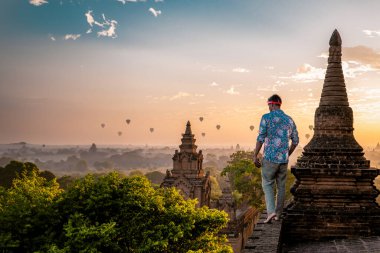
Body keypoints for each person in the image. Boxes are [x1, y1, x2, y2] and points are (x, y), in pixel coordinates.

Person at [253, 94, 299, 223]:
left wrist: (255, 154)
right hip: (283, 160)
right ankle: (278, 214)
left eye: (269, 105)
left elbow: (260, 138)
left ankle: (271, 212)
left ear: (272, 104)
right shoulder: (289, 120)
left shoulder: (266, 118)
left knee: (267, 184)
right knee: (281, 187)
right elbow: (295, 141)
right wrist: (287, 154)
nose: (268, 108)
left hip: (269, 158)